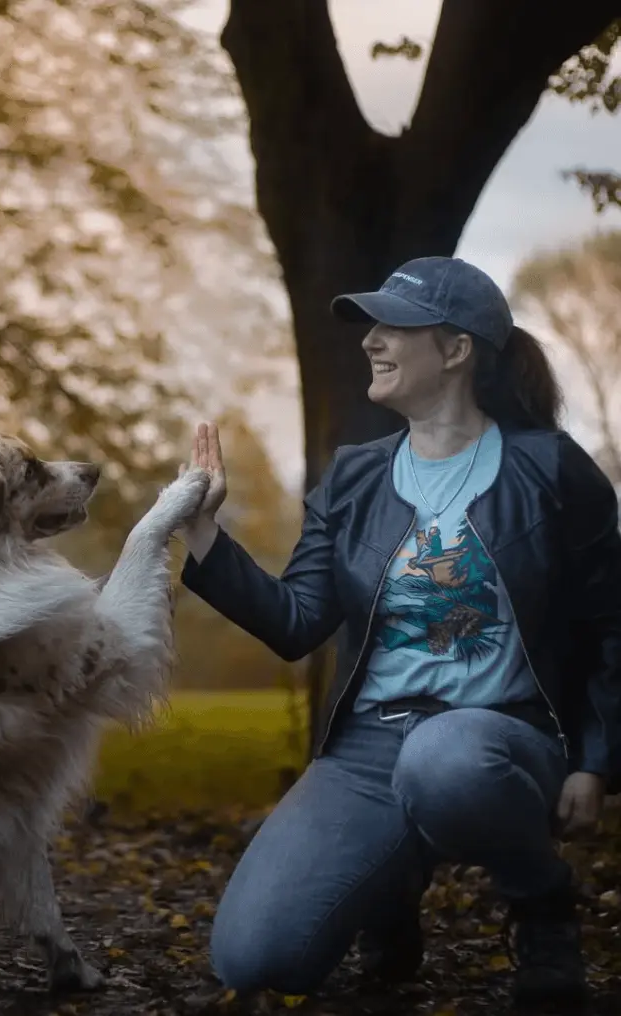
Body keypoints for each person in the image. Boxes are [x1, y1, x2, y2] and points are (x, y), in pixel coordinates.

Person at [178, 256, 621, 1008]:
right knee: (255, 958)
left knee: (443, 758)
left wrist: (596, 761)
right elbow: (297, 621)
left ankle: (542, 903)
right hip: (369, 746)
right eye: (370, 326)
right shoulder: (354, 477)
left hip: (502, 735)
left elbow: (610, 624)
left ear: (456, 350)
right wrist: (204, 535)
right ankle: (390, 888)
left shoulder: (549, 469)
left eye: (394, 326)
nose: (370, 341)